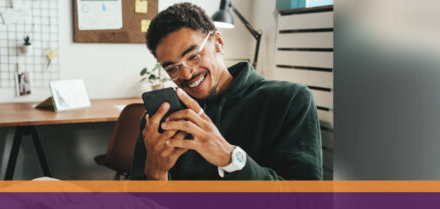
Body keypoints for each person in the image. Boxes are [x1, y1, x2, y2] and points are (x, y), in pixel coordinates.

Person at [130, 3, 322, 180]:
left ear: (218, 42)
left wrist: (229, 157)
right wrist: (156, 172)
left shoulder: (289, 101)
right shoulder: (160, 121)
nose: (187, 74)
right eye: (172, 68)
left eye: (194, 56)